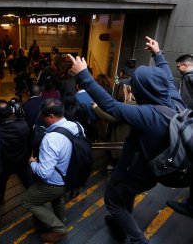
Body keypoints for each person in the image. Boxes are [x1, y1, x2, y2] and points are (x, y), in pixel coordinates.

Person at [69, 36, 185, 243]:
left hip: (138, 169)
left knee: (113, 201)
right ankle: (120, 220)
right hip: (152, 167)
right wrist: (158, 54)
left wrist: (84, 75)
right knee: (127, 194)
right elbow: (167, 78)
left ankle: (138, 239)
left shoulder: (149, 115)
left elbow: (112, 106)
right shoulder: (173, 100)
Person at [22, 98, 79, 243]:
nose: (42, 119)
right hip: (71, 176)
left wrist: (32, 163)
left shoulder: (51, 139)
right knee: (57, 197)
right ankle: (62, 219)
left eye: (44, 117)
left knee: (27, 200)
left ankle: (58, 228)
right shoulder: (76, 126)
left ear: (52, 117)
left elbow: (44, 173)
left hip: (55, 183)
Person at [166, 54, 193, 217]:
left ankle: (190, 206)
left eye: (178, 67)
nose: (178, 70)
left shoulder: (189, 77)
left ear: (185, 65)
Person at [0, 100, 33, 205]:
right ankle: (36, 201)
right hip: (22, 161)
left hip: (5, 163)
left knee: (1, 182)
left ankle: (0, 199)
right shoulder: (23, 125)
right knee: (29, 183)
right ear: (12, 112)